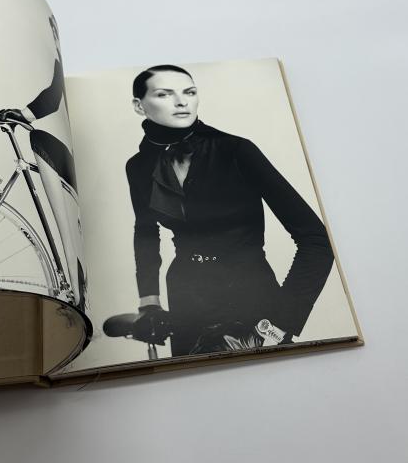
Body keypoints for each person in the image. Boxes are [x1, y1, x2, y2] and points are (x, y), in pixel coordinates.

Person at [125, 65, 334, 356]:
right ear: (139, 106)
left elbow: (316, 239)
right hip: (186, 299)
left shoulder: (236, 150)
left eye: (189, 92)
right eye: (164, 94)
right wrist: (149, 301)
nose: (181, 101)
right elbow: (146, 232)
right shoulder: (138, 166)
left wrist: (279, 325)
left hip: (252, 298)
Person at [0, 16, 86, 310]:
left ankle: (73, 281)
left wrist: (23, 114)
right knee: (65, 221)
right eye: (52, 33)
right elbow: (52, 97)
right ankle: (73, 284)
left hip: (52, 142)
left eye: (54, 33)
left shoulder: (57, 58)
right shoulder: (56, 57)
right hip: (50, 142)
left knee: (67, 216)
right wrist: (23, 114)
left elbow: (52, 98)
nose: (55, 39)